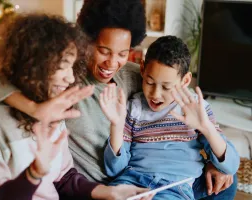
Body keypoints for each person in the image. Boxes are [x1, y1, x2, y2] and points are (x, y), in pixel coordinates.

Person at [0, 0, 238, 199]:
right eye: (103, 50)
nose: (113, 63)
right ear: (84, 41)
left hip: (149, 181)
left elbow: (172, 87)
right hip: (107, 183)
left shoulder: (135, 76)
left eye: (123, 53)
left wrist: (217, 158)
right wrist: (37, 109)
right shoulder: (62, 81)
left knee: (228, 181)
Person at [0, 13, 154, 200]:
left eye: (71, 67)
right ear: (33, 66)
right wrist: (34, 174)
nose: (70, 78)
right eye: (62, 67)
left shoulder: (52, 109)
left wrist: (109, 192)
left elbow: (63, 177)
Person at [99, 35, 240, 199]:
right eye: (150, 82)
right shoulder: (133, 107)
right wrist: (116, 127)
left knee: (229, 181)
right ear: (143, 69)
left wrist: (206, 128)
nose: (155, 94)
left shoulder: (195, 108)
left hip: (174, 187)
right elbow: (115, 170)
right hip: (132, 182)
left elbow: (231, 165)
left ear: (185, 80)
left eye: (166, 87)